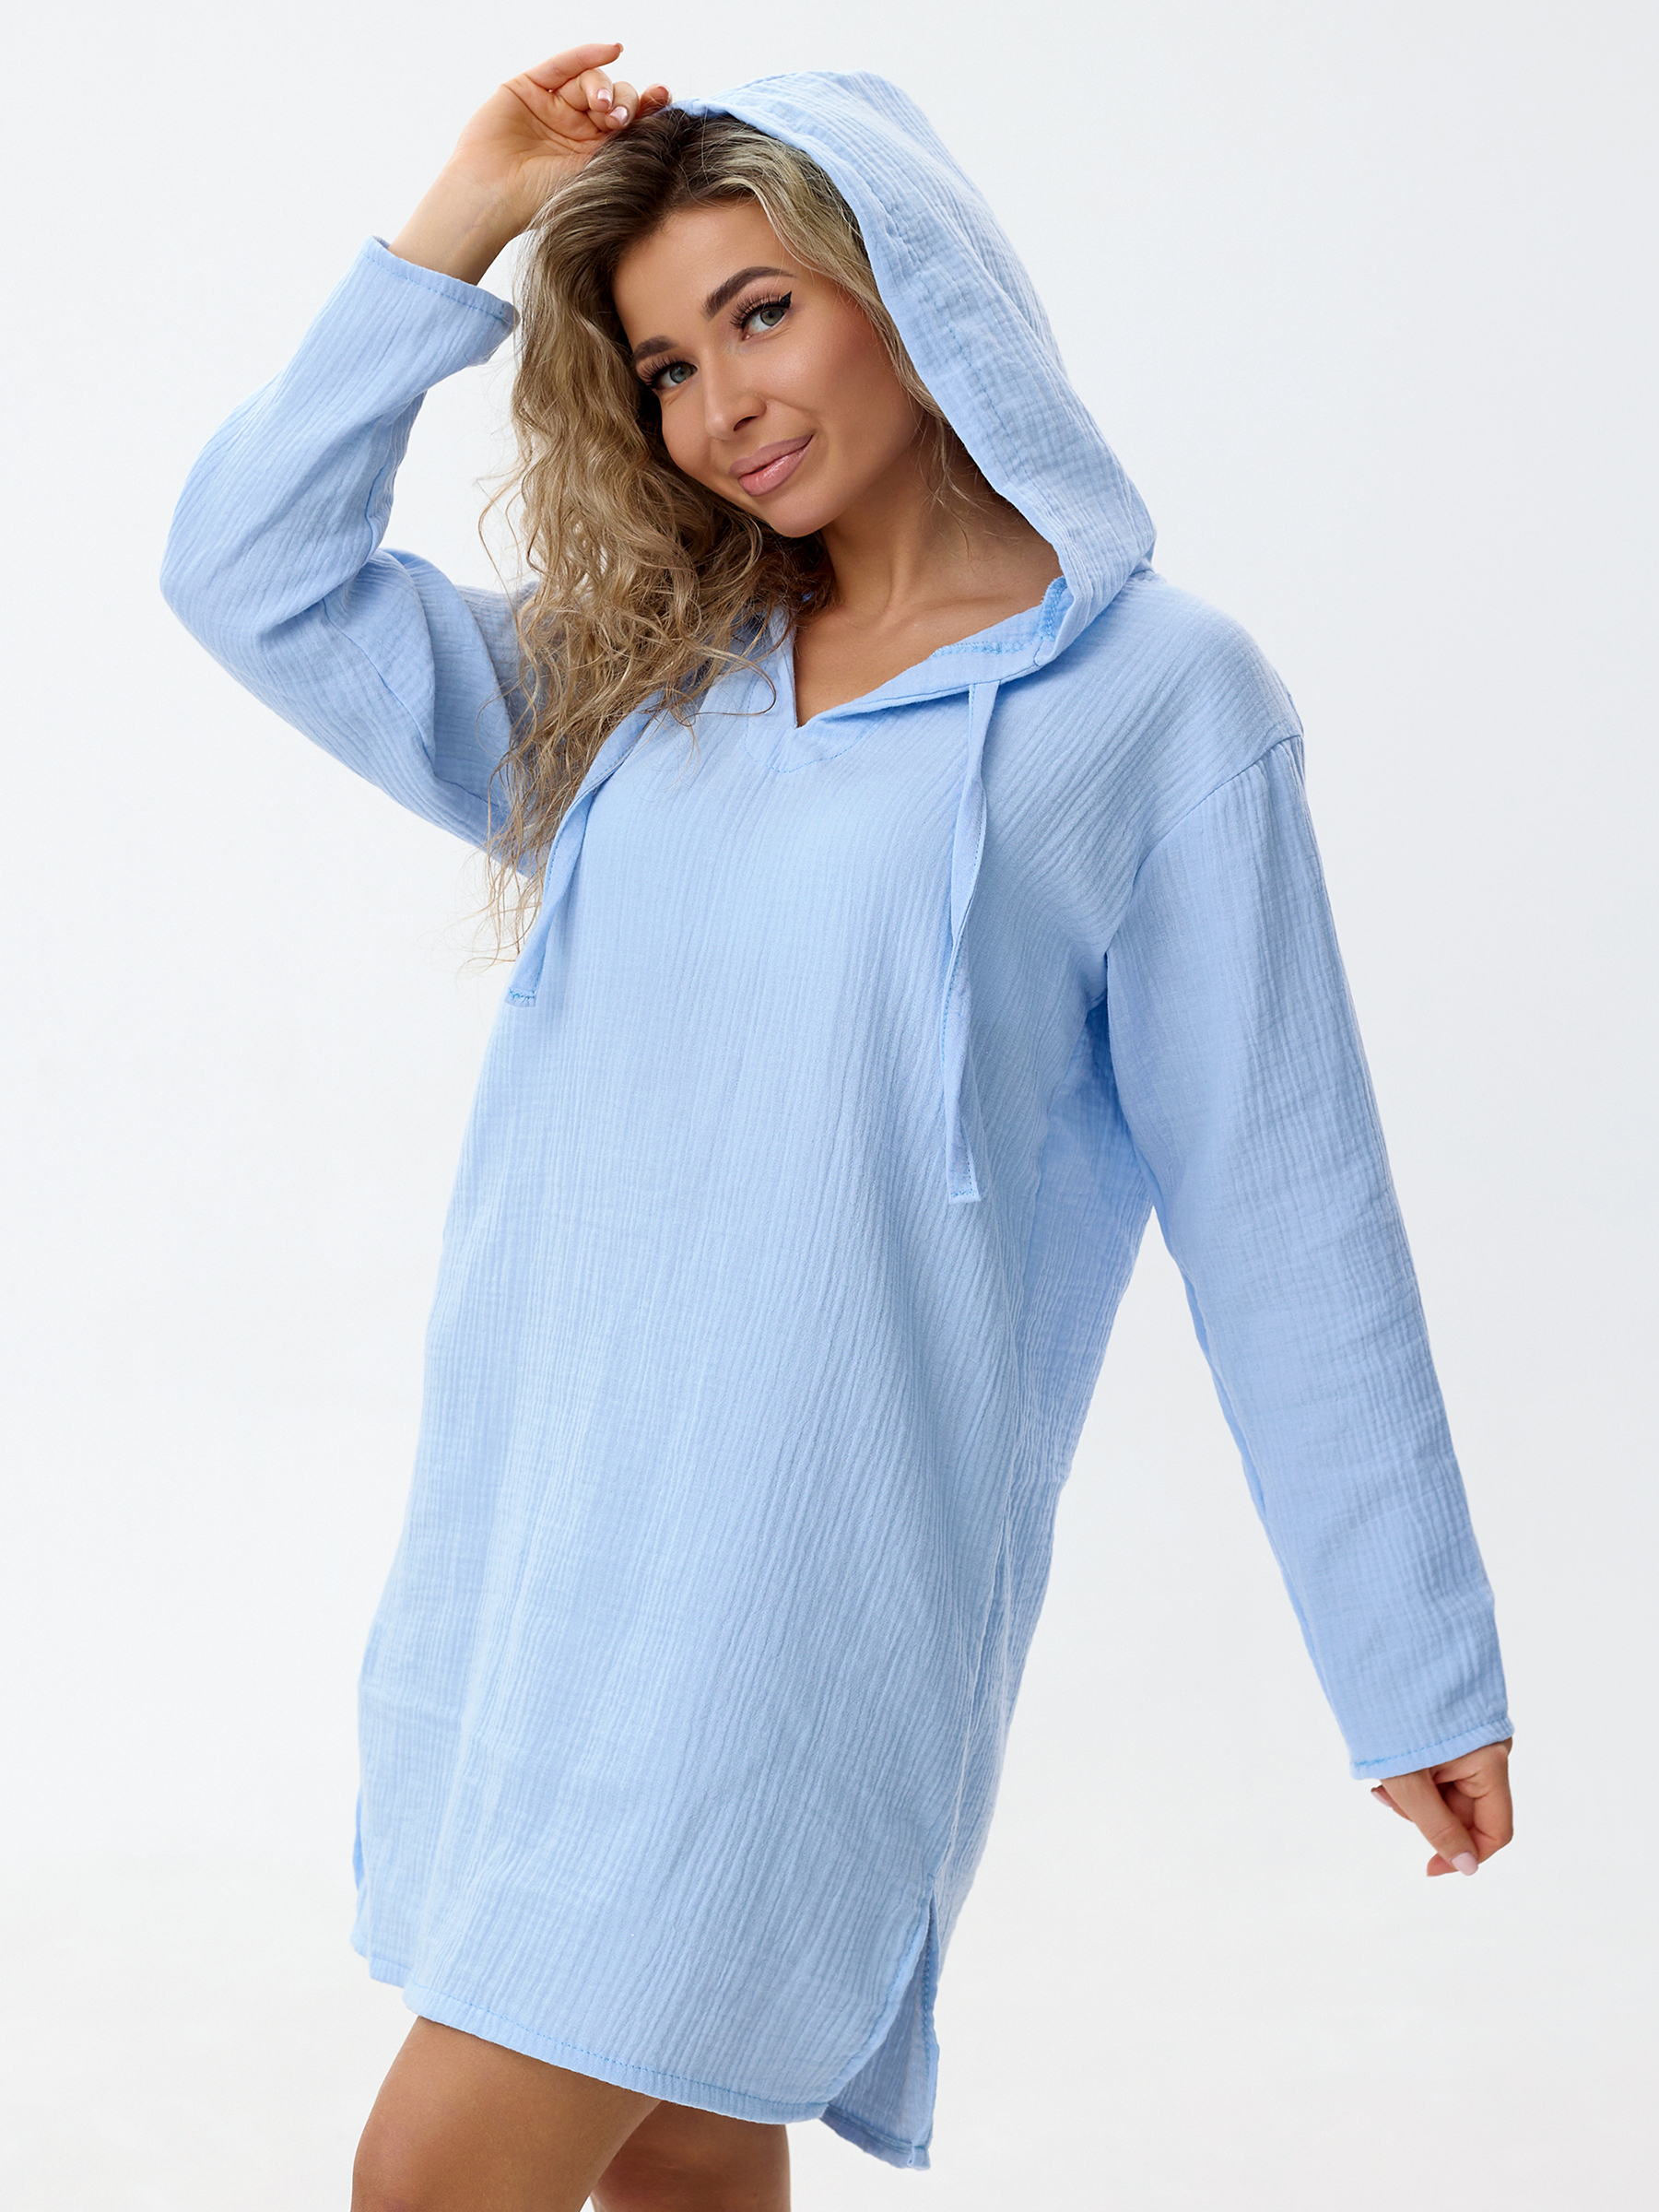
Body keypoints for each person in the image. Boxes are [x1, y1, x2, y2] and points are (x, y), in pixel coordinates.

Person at [160, 41, 1515, 2212]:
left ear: (910, 280)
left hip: (799, 1607)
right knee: (688, 2157)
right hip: (542, 1563)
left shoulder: (1159, 707)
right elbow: (249, 575)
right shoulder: (642, 680)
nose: (724, 402)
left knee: (435, 2171)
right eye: (665, 367)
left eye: (763, 312)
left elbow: (1290, 1207)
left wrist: (1412, 1666)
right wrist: (458, 223)